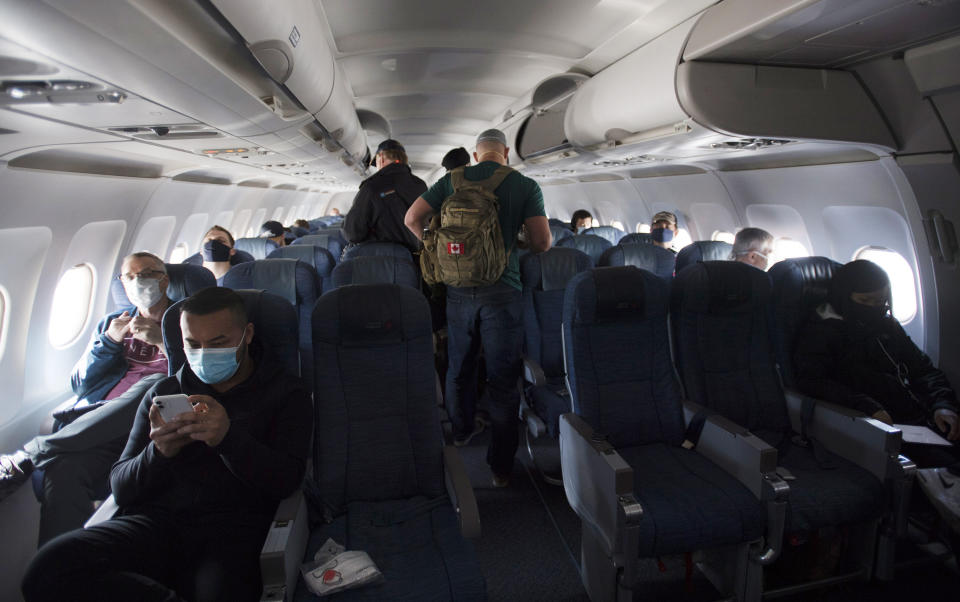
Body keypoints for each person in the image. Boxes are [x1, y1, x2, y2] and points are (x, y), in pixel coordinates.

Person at [21, 287, 312, 602]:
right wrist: (159, 453)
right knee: (47, 569)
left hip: (232, 531)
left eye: (218, 343)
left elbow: (286, 481)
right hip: (156, 524)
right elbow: (121, 486)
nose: (204, 354)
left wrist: (228, 439)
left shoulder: (286, 394)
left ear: (248, 334)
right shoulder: (164, 392)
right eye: (193, 345)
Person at [404, 128, 551, 487]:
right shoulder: (525, 186)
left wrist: (436, 247)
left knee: (459, 366)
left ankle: (462, 431)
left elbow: (412, 219)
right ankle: (500, 467)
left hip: (457, 290)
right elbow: (543, 242)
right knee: (502, 379)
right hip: (503, 291)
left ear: (474, 155)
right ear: (505, 152)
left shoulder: (451, 180)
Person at [0, 252, 173, 544]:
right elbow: (81, 385)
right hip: (102, 422)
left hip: (155, 421)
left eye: (146, 274)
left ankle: (31, 453)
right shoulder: (113, 322)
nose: (137, 282)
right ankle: (62, 571)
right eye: (129, 277)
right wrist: (108, 342)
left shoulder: (186, 319)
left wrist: (162, 341)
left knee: (153, 385)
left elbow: (199, 376)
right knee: (63, 470)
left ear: (164, 280)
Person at [793, 260, 959, 469]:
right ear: (845, 296)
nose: (875, 307)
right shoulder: (822, 332)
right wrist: (866, 405)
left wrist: (943, 405)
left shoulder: (888, 325)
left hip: (923, 415)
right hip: (880, 423)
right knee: (948, 468)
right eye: (866, 300)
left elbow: (924, 369)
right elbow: (812, 381)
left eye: (881, 300)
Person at [343, 139, 427, 252]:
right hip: (417, 260)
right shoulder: (420, 185)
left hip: (382, 259)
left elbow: (353, 233)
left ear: (381, 158)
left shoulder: (372, 186)